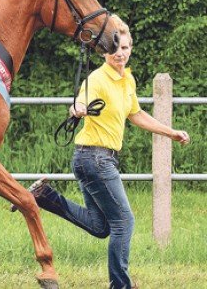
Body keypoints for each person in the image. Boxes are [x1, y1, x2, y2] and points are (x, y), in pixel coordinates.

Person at [24, 14, 191, 289]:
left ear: (130, 48)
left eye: (125, 48)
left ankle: (45, 196)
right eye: (114, 48)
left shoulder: (128, 81)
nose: (120, 53)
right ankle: (120, 285)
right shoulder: (97, 79)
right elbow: (80, 102)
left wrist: (170, 132)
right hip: (94, 158)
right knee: (124, 222)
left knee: (102, 227)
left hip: (96, 160)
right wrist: (76, 109)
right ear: (104, 50)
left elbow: (136, 114)